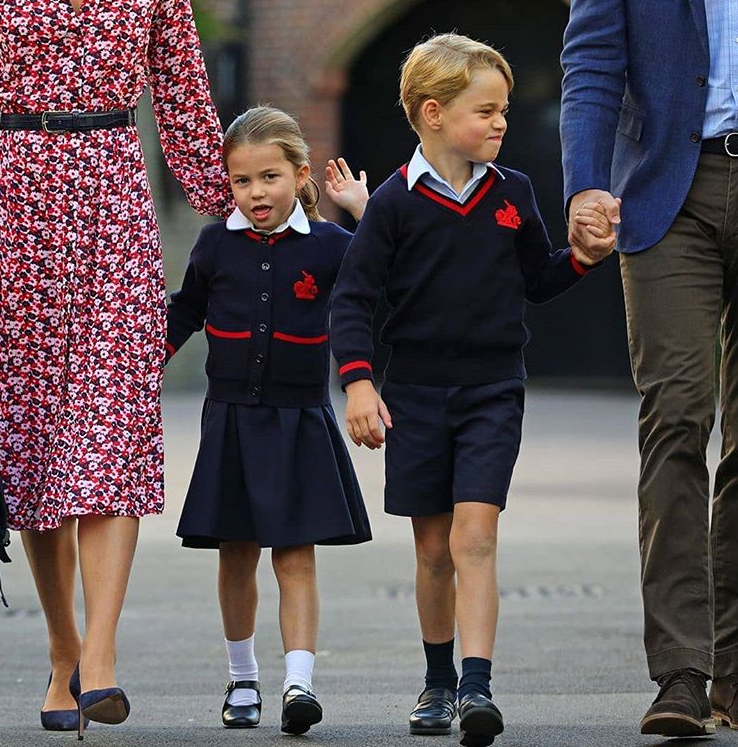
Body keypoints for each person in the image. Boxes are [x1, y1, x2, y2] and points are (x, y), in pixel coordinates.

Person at [330, 32, 615, 747]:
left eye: (506, 110)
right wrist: (359, 385)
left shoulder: (514, 193)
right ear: (433, 112)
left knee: (475, 537)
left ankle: (478, 686)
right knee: (432, 551)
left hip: (493, 390)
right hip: (417, 395)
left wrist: (580, 258)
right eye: (486, 110)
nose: (501, 123)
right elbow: (352, 300)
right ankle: (437, 678)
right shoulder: (392, 203)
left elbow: (539, 279)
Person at [0, 0, 231, 738]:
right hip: (11, 198)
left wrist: (238, 212)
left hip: (113, 200)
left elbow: (184, 89)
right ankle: (63, 646)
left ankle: (99, 656)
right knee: (34, 439)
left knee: (111, 426)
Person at [561, 0, 738, 737]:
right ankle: (683, 672)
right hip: (671, 189)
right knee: (678, 412)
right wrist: (584, 181)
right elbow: (594, 61)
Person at [165, 105, 372, 735]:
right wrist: (134, 371)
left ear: (300, 173)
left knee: (296, 553)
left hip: (300, 418)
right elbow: (185, 313)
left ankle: (299, 685)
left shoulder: (334, 246)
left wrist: (365, 214)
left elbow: (390, 275)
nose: (257, 192)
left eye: (270, 177)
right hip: (230, 417)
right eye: (242, 181)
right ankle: (244, 678)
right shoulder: (214, 244)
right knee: (235, 553)